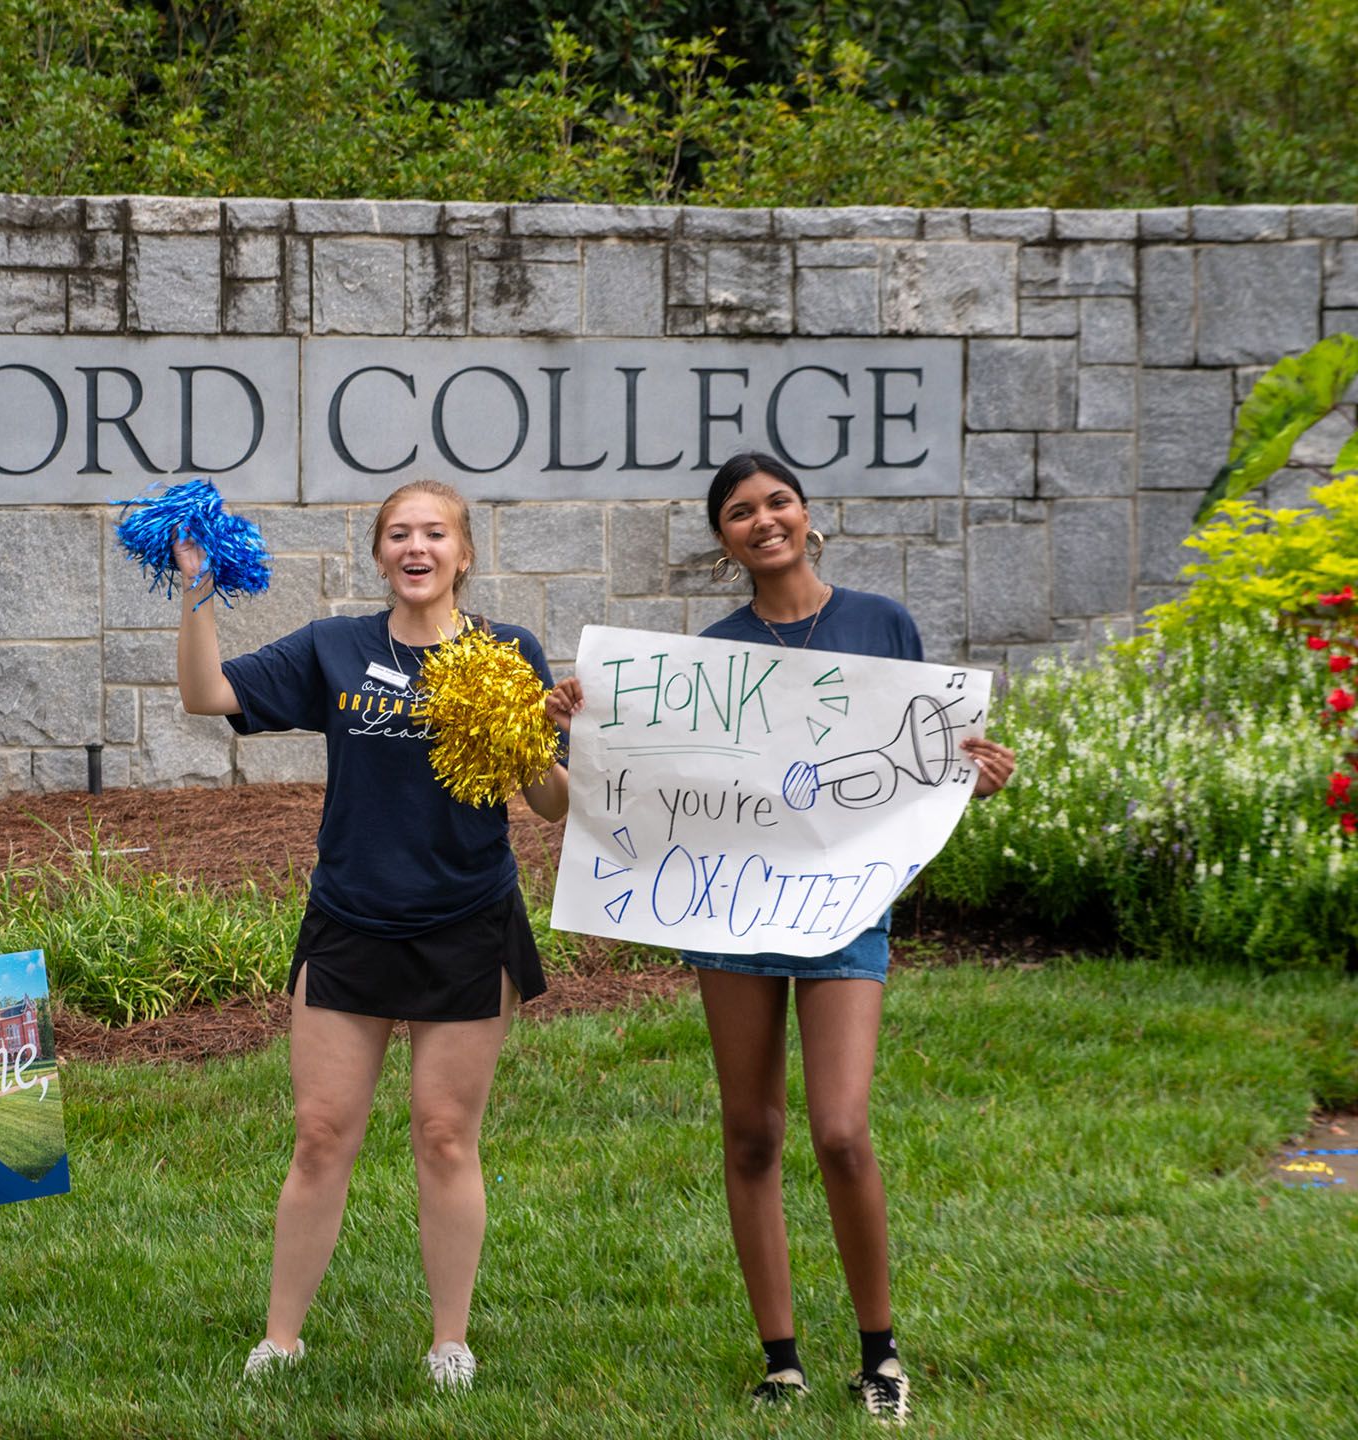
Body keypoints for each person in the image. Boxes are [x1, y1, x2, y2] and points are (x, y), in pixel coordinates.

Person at [548, 452, 1017, 1425]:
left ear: (807, 515)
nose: (762, 521)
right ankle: (780, 1359)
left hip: (842, 910)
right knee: (751, 1133)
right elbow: (628, 784)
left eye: (777, 503)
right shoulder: (705, 660)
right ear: (721, 539)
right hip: (730, 916)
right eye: (738, 513)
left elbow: (912, 761)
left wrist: (962, 777)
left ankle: (879, 1354)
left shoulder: (879, 624)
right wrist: (576, 728)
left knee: (841, 1131)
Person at [178, 478, 569, 1391]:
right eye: (399, 534)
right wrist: (196, 590)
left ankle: (449, 1343)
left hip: (467, 921)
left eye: (436, 532)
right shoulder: (336, 647)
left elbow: (551, 805)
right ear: (381, 555)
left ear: (464, 554)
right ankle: (281, 1339)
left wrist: (541, 739)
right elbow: (207, 696)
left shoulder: (512, 653)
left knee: (443, 1135)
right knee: (320, 1135)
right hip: (351, 921)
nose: (417, 546)